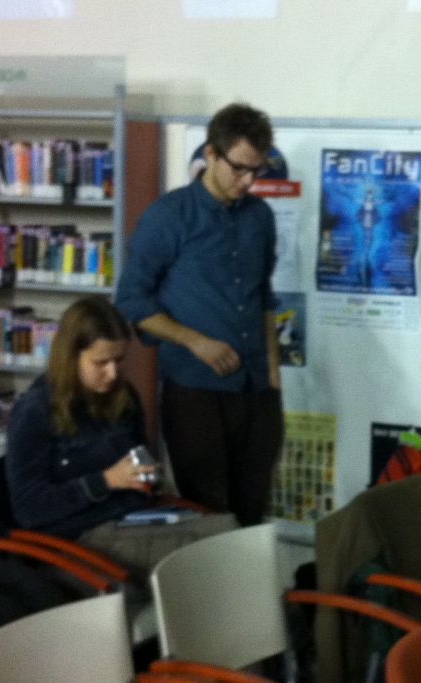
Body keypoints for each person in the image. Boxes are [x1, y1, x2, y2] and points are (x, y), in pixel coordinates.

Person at [115, 103, 284, 525]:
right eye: (239, 168)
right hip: (194, 390)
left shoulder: (260, 217)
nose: (248, 181)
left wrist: (273, 376)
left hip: (256, 389)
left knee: (253, 510)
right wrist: (195, 342)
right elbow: (131, 299)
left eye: (256, 170)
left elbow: (263, 295)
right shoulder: (168, 215)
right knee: (209, 514)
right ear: (210, 153)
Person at [4, 297, 237, 577]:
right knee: (223, 550)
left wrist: (147, 476)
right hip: (79, 539)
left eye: (118, 360)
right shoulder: (36, 411)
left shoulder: (122, 397)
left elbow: (139, 461)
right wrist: (107, 480)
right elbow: (29, 510)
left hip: (133, 518)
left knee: (231, 530)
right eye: (101, 362)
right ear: (71, 357)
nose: (113, 373)